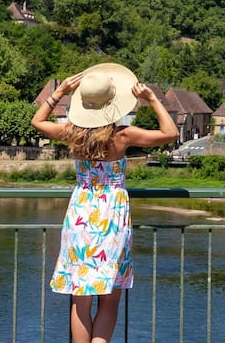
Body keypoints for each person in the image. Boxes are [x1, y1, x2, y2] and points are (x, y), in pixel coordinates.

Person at [32, 63, 179, 343]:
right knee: (109, 299)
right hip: (112, 215)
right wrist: (152, 99)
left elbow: (38, 122)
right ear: (113, 102)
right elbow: (170, 133)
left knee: (81, 300)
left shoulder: (72, 133)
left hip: (80, 213)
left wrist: (59, 91)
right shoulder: (122, 135)